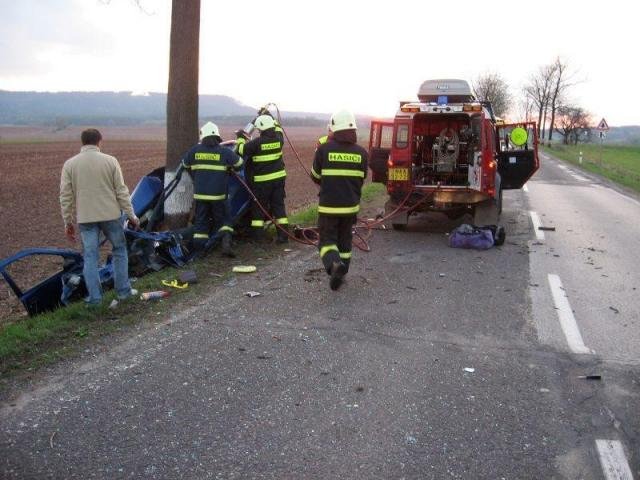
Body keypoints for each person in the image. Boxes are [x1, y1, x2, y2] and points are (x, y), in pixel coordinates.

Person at [59, 128, 139, 306]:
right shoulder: (110, 161)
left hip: (86, 218)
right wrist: (132, 215)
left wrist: (68, 222)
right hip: (110, 215)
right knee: (119, 249)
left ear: (82, 142)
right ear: (99, 141)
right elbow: (121, 191)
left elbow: (65, 196)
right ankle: (123, 292)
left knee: (90, 257)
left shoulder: (70, 165)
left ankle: (95, 299)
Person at [310, 110, 368, 290]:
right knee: (345, 242)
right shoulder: (362, 153)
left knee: (326, 241)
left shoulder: (324, 149)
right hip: (350, 208)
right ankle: (342, 272)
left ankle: (334, 265)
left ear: (333, 129)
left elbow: (315, 175)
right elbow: (362, 177)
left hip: (329, 207)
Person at [182, 121, 243, 257]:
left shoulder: (194, 151)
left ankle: (200, 251)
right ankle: (225, 245)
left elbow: (185, 165)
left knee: (200, 224)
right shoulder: (224, 152)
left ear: (203, 136)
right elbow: (239, 164)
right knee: (225, 221)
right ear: (217, 137)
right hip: (219, 196)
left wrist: (196, 174)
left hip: (200, 196)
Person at [242, 114, 289, 243]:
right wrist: (270, 116)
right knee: (278, 207)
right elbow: (278, 128)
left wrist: (241, 138)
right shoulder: (279, 139)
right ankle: (283, 236)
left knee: (258, 209)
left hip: (262, 183)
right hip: (279, 181)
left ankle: (258, 238)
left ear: (261, 129)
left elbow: (241, 149)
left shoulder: (256, 143)